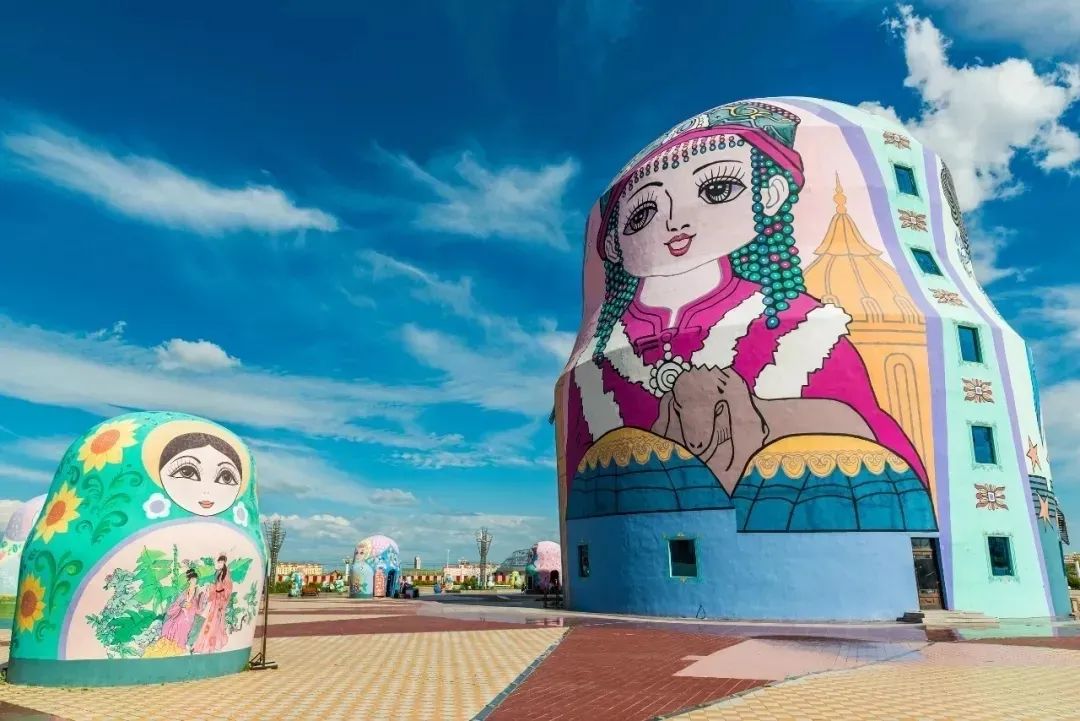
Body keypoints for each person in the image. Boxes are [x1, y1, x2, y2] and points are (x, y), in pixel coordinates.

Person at [565, 101, 927, 494]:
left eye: (717, 188)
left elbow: (883, 462)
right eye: (643, 212)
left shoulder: (807, 332)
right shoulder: (599, 373)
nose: (674, 221)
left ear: (771, 193)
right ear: (613, 245)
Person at [193, 554, 232, 654]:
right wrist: (211, 588)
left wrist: (221, 597)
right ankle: (205, 642)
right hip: (215, 600)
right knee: (210, 619)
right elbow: (215, 586)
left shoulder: (225, 574)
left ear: (224, 563)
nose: (220, 564)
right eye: (219, 562)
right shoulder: (217, 572)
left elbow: (228, 588)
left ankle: (211, 643)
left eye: (222, 562)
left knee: (216, 621)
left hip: (220, 601)